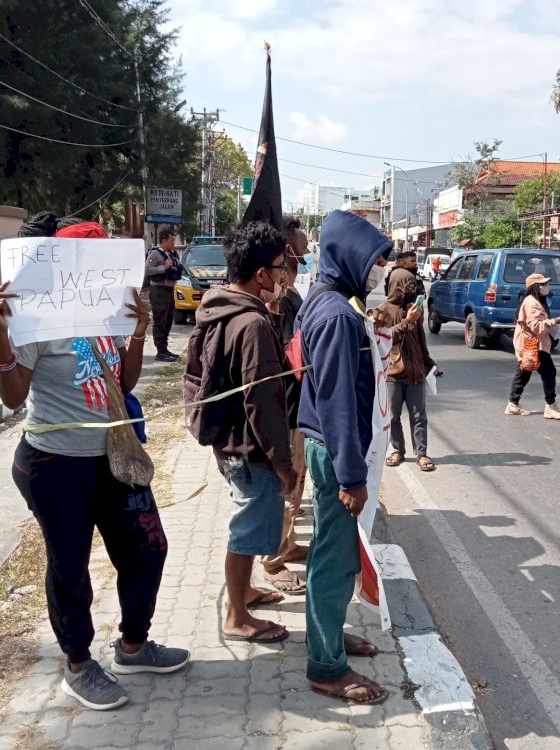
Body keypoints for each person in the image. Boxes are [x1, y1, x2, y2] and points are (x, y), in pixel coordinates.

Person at [0, 213, 189, 712]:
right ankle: (77, 664)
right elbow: (12, 397)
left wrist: (137, 331)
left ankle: (133, 647)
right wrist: (2, 335)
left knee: (149, 549)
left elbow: (126, 384)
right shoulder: (36, 315)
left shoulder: (105, 311)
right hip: (55, 464)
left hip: (112, 458)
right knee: (70, 569)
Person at [298, 210, 392, 705]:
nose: (378, 270)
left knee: (327, 550)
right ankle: (326, 667)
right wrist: (351, 475)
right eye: (374, 261)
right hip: (335, 450)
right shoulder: (335, 315)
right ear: (351, 257)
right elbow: (336, 400)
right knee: (335, 560)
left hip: (326, 444)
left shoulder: (327, 301)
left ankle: (328, 637)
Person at [196, 220, 298, 643]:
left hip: (228, 440)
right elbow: (263, 402)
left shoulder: (219, 307)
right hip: (249, 447)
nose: (283, 276)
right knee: (246, 529)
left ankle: (246, 591)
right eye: (279, 268)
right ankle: (236, 616)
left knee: (251, 523)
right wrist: (283, 462)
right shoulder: (251, 324)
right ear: (261, 275)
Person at [257, 218, 310, 594]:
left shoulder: (291, 299)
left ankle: (287, 543)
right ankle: (272, 559)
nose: (298, 269)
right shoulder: (262, 309)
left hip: (298, 408)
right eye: (296, 258)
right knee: (283, 485)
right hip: (281, 412)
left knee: (297, 482)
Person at [380, 268, 437, 471]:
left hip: (415, 373)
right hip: (393, 374)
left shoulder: (414, 309)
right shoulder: (382, 311)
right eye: (409, 286)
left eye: (414, 285)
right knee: (393, 416)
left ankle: (421, 453)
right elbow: (384, 339)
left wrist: (429, 363)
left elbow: (420, 340)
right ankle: (398, 450)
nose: (413, 290)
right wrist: (407, 322)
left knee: (419, 415)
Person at [505, 273, 560, 419]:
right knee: (549, 373)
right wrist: (554, 322)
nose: (547, 286)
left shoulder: (535, 300)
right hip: (533, 344)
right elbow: (536, 327)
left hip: (532, 343)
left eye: (546, 283)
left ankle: (513, 404)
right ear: (535, 287)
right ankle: (550, 406)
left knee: (524, 373)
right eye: (543, 284)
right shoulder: (532, 303)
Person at [145, 227, 181, 362]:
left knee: (168, 320)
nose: (173, 243)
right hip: (158, 291)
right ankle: (160, 351)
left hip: (169, 291)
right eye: (172, 240)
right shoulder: (156, 254)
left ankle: (165, 349)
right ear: (164, 240)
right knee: (160, 321)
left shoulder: (171, 254)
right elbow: (147, 270)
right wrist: (163, 268)